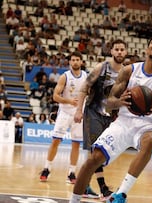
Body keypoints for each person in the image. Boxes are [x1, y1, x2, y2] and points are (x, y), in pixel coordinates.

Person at [69, 35, 152, 203]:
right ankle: (74, 200)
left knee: (149, 140)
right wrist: (120, 101)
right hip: (124, 121)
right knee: (93, 159)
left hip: (149, 124)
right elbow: (109, 104)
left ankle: (121, 194)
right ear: (147, 49)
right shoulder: (129, 71)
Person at [73, 39, 128, 199]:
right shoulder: (101, 67)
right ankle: (103, 188)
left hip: (111, 117)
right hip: (93, 113)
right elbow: (84, 88)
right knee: (96, 151)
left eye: (122, 50)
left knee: (100, 154)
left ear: (126, 52)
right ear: (111, 51)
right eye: (116, 49)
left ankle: (85, 186)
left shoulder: (127, 72)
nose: (119, 52)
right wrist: (79, 110)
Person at [39, 51, 87, 184]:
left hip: (79, 113)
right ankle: (46, 168)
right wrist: (69, 101)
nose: (75, 62)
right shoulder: (64, 77)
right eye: (73, 60)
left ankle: (71, 173)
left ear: (81, 62)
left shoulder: (86, 77)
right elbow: (55, 96)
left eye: (78, 59)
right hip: (65, 113)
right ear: (70, 62)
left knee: (76, 144)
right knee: (55, 141)